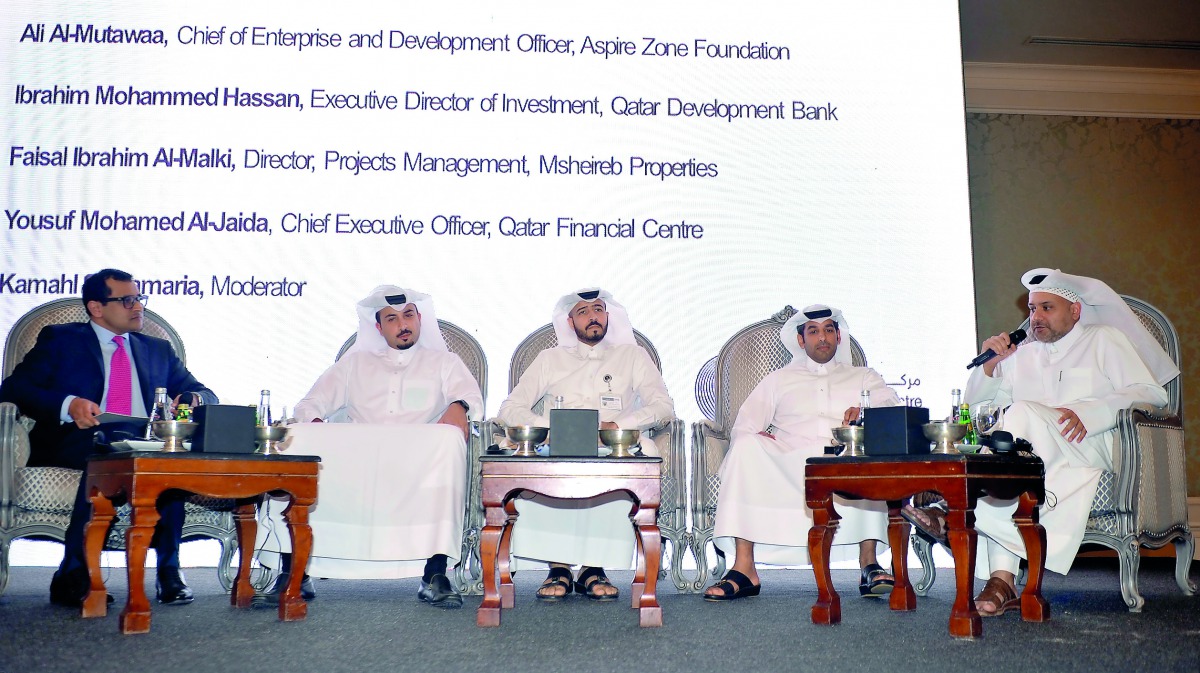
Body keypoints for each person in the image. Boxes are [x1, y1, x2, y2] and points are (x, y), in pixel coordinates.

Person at [906, 268, 1177, 616]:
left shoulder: (1103, 339)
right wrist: (989, 367)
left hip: (1089, 443)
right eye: (1032, 309)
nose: (1035, 317)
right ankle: (1001, 582)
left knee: (1019, 416)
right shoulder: (1022, 355)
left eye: (1047, 308)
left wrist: (1091, 412)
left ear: (1075, 310)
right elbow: (974, 411)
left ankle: (953, 516)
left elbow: (1151, 394)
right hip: (1033, 457)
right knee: (1008, 445)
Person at [0, 268, 217, 607]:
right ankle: (75, 573)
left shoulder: (157, 349)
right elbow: (15, 388)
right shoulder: (61, 339)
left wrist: (192, 399)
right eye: (127, 300)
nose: (138, 307)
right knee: (104, 454)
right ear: (96, 307)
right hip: (80, 438)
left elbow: (205, 392)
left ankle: (169, 570)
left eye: (139, 298)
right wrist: (68, 405)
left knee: (167, 462)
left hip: (145, 442)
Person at [256, 285, 483, 609]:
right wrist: (316, 424)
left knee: (448, 440)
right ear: (378, 327)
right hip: (357, 458)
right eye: (392, 319)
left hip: (417, 459)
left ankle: (435, 573)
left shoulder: (444, 362)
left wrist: (459, 405)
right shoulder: (354, 364)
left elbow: (472, 398)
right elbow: (309, 404)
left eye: (408, 316)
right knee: (297, 435)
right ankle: (294, 570)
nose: (402, 324)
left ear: (419, 319)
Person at [703, 305, 901, 601]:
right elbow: (745, 425)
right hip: (790, 460)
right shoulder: (778, 380)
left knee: (867, 454)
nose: (822, 337)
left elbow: (891, 403)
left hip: (842, 458)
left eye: (829, 330)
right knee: (745, 446)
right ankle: (744, 569)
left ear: (838, 337)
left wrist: (866, 411)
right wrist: (759, 438)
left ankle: (869, 564)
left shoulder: (863, 377)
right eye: (814, 331)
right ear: (800, 340)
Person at [496, 288, 675, 601]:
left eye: (598, 310)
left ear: (607, 316)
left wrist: (620, 425)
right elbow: (510, 408)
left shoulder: (632, 356)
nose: (593, 317)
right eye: (583, 311)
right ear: (570, 322)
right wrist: (548, 429)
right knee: (540, 463)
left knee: (638, 457)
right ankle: (558, 567)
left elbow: (663, 406)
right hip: (558, 446)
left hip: (613, 446)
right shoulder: (550, 359)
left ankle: (594, 567)